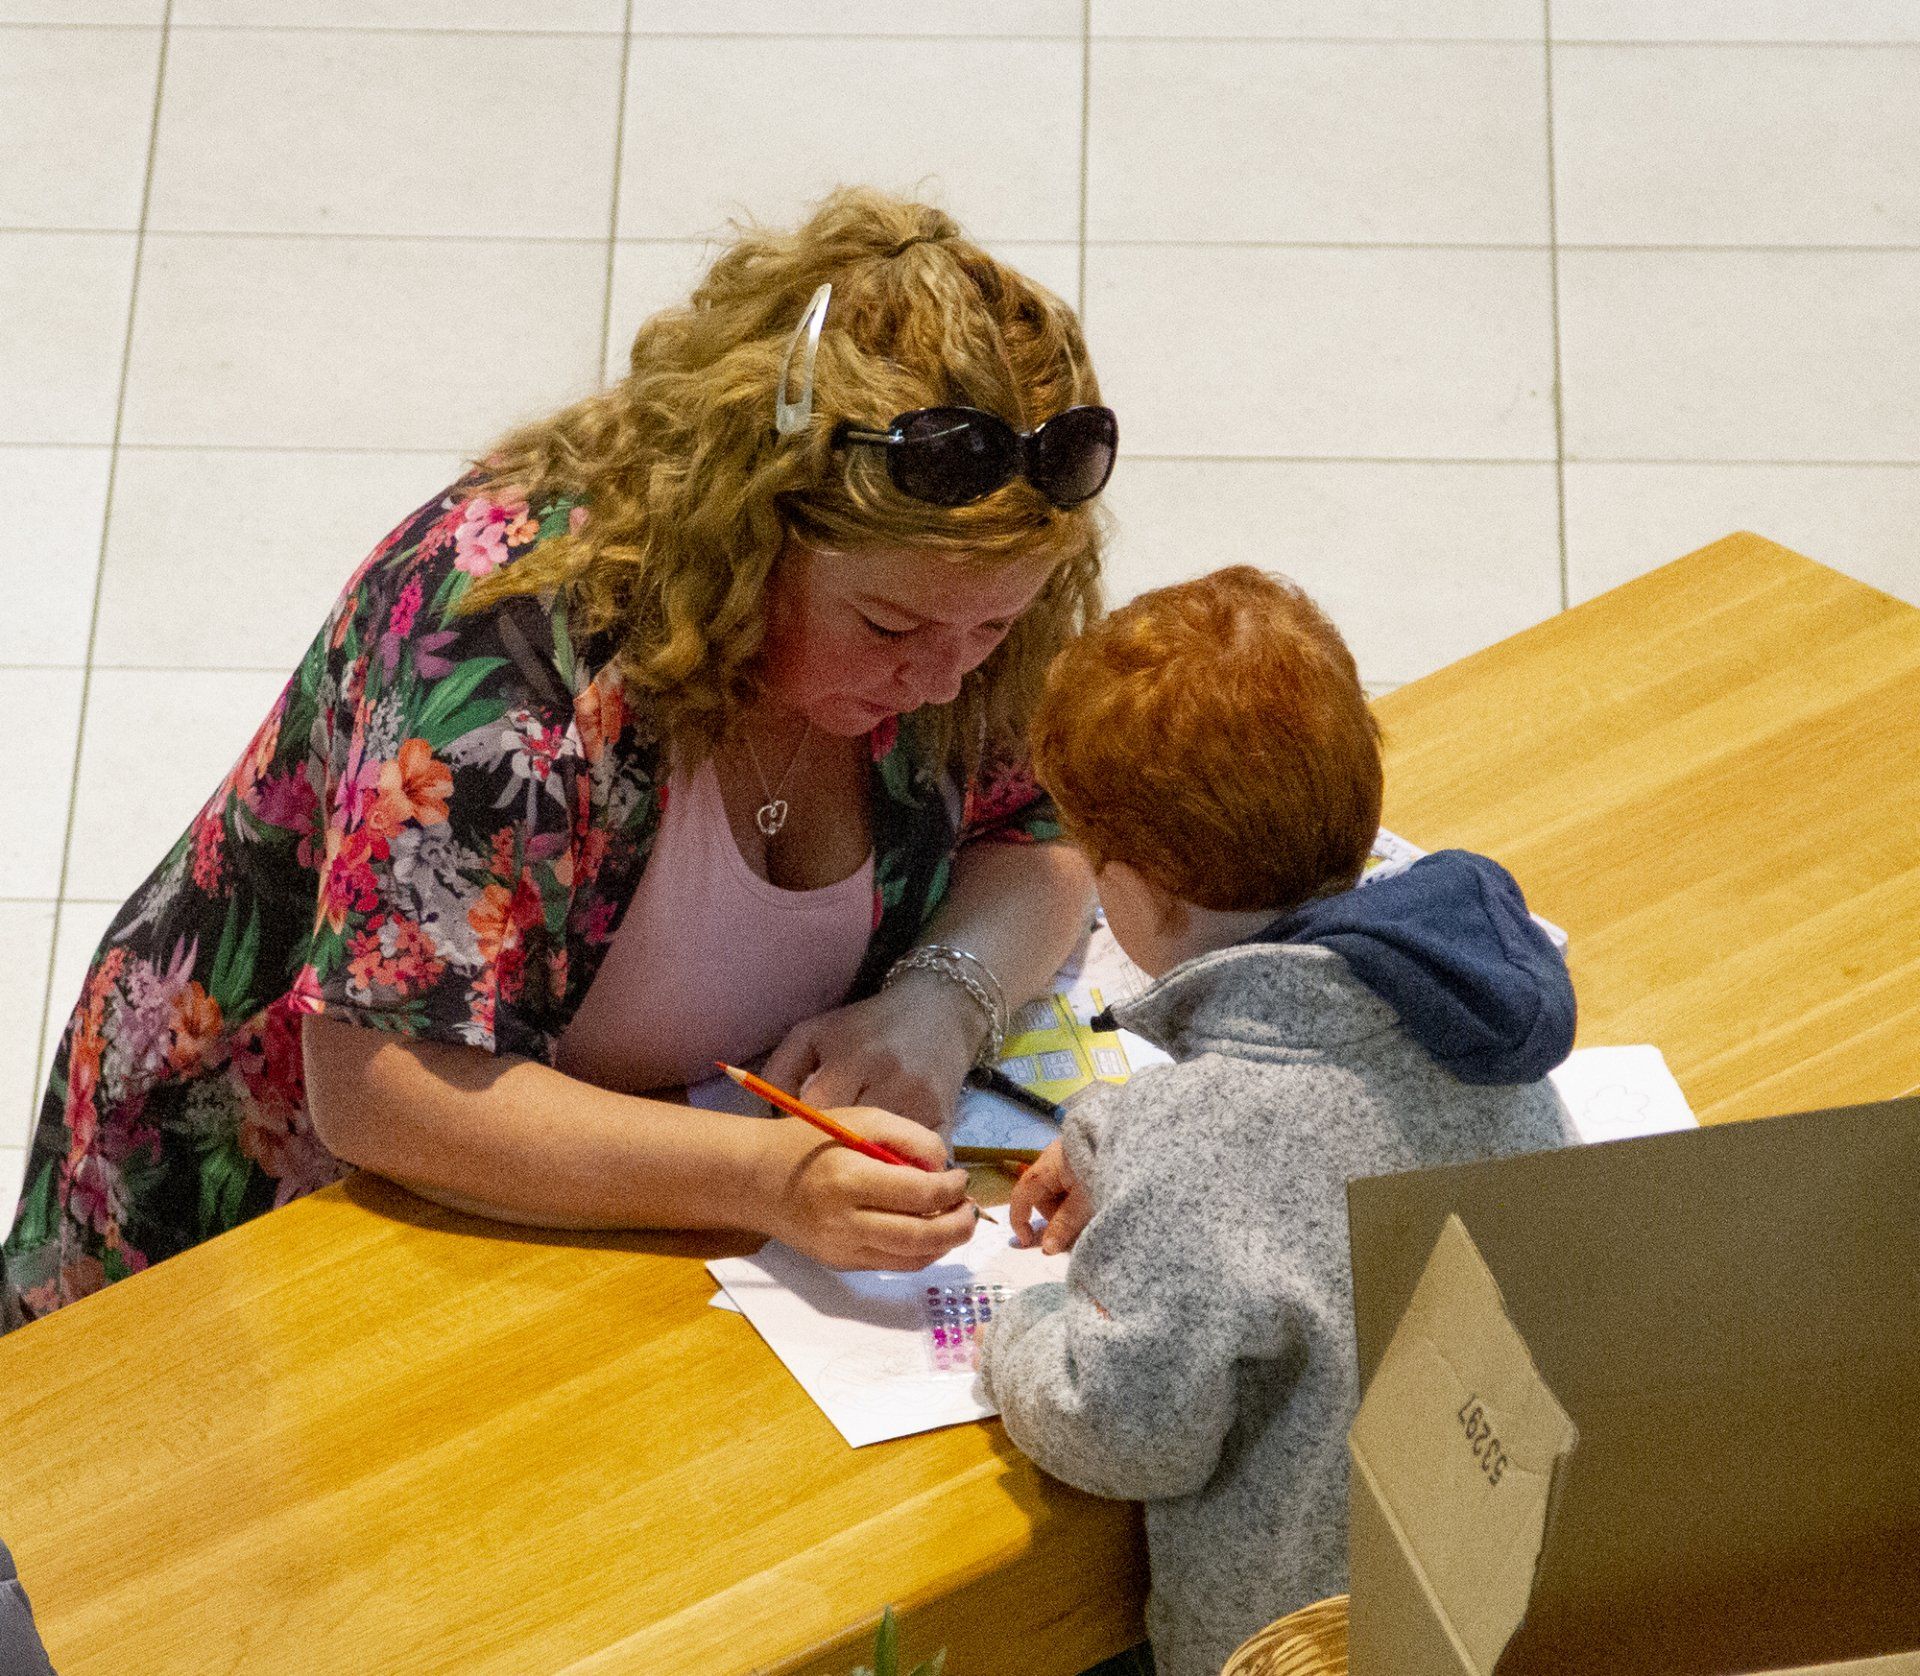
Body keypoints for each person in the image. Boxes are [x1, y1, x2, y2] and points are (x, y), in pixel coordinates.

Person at [2, 188, 1119, 1329]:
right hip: (262, 1233)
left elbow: (1051, 822)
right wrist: (761, 1179)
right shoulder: (508, 641)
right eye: (888, 629)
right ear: (752, 530)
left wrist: (943, 999)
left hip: (610, 1235)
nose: (943, 680)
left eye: (989, 631)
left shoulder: (963, 606)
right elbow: (385, 1086)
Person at [977, 567, 1576, 1676]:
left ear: (1146, 892)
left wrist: (1013, 1337)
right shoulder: (1478, 1018)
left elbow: (1125, 1429)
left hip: (1297, 1645)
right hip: (1506, 1608)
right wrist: (1119, 1136)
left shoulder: (1193, 1144)